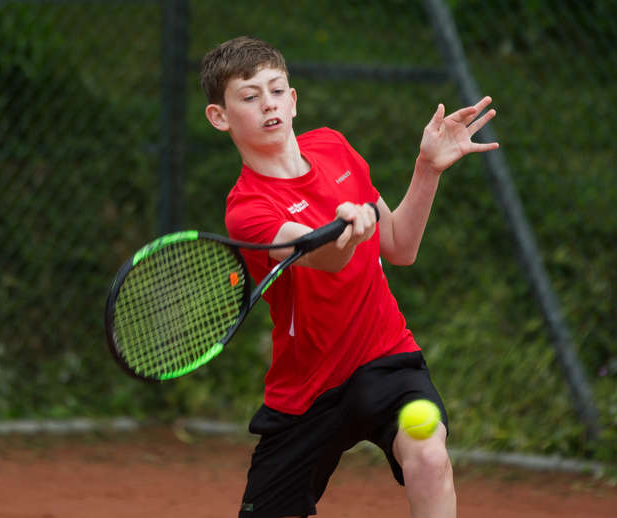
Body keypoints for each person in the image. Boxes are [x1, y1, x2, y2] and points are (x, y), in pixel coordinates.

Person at [200, 36, 498, 518]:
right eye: (250, 96)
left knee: (427, 454)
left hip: (384, 357)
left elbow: (399, 245)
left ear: (293, 101)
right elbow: (326, 258)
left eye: (277, 90)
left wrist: (427, 168)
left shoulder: (334, 148)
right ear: (221, 117)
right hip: (307, 391)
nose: (268, 104)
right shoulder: (248, 209)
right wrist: (347, 231)